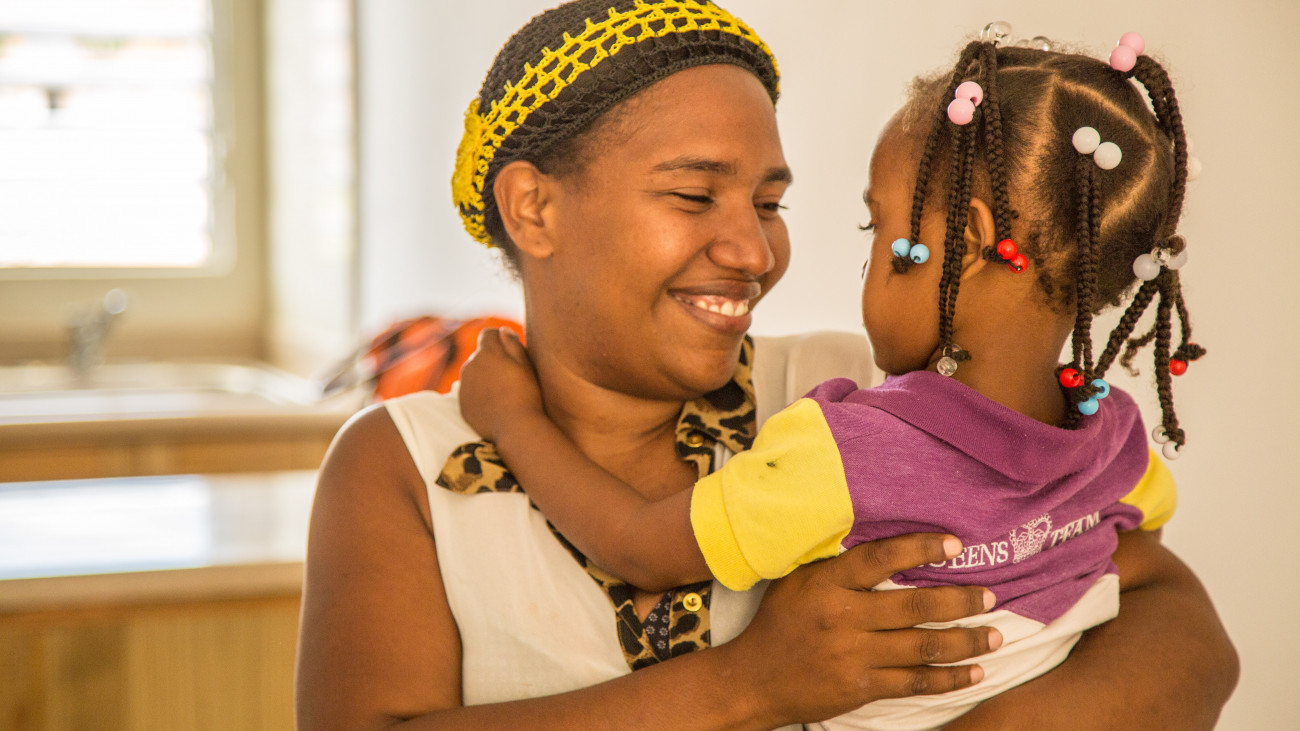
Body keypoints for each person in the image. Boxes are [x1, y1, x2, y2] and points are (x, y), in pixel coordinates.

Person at [294, 2, 1238, 729]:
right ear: (534, 209)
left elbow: (1182, 630)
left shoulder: (871, 402)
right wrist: (747, 685)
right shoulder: (404, 468)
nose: (754, 252)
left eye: (770, 203)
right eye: (693, 195)